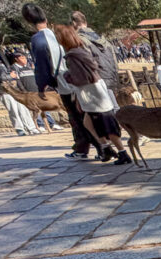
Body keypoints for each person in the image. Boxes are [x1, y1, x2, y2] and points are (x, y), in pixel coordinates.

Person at [22, 3, 98, 160]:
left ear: (28, 21)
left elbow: (41, 66)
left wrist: (42, 86)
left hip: (64, 82)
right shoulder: (57, 34)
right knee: (87, 114)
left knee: (76, 118)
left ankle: (84, 148)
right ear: (46, 18)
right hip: (78, 78)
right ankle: (99, 145)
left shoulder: (38, 40)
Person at [55, 24, 131, 164]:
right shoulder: (80, 52)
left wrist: (67, 76)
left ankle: (122, 152)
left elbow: (81, 78)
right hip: (93, 92)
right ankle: (105, 147)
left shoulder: (73, 56)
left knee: (106, 125)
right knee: (88, 123)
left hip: (92, 95)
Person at [0, 45, 41, 136]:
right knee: (13, 109)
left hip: (12, 88)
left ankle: (31, 127)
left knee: (22, 107)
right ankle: (19, 129)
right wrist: (10, 76)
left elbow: (6, 71)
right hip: (3, 90)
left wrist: (11, 74)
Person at [10, 50, 64, 132]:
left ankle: (52, 123)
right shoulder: (14, 68)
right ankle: (40, 125)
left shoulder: (29, 66)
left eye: (25, 58)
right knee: (35, 108)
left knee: (45, 106)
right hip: (29, 93)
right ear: (16, 59)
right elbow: (18, 81)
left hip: (37, 91)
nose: (25, 60)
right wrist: (24, 91)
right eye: (22, 58)